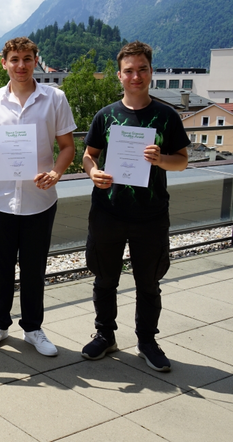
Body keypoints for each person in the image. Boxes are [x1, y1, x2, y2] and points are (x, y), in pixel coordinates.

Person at [81, 41, 189, 372]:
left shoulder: (166, 116)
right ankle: (105, 335)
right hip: (108, 212)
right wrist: (93, 173)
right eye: (129, 70)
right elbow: (89, 156)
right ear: (120, 75)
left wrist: (161, 160)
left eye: (142, 69)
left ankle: (147, 341)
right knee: (104, 279)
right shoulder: (106, 116)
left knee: (148, 283)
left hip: (150, 215)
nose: (136, 76)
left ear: (151, 72)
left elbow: (182, 161)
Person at [0, 37, 76, 357]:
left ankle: (33, 328)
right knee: (0, 265)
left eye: (27, 59)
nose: (21, 65)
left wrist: (57, 173)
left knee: (34, 267)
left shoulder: (54, 98)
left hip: (39, 198)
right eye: (14, 59)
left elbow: (68, 147)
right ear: (3, 62)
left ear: (36, 60)